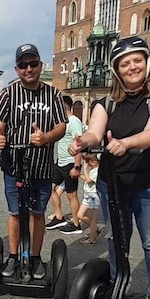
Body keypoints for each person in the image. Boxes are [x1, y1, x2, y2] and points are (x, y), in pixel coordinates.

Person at [68, 36, 150, 299]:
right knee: (117, 239)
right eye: (125, 63)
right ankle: (119, 292)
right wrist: (83, 141)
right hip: (114, 183)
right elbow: (95, 131)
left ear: (147, 62)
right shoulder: (107, 103)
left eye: (137, 61)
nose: (132, 67)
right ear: (117, 70)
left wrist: (126, 143)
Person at [0, 43, 67, 280]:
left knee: (37, 213)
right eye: (23, 65)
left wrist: (46, 137)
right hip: (14, 164)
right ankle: (13, 255)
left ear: (40, 65)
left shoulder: (53, 94)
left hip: (42, 166)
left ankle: (34, 257)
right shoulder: (8, 94)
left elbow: (61, 127)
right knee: (15, 212)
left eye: (33, 63)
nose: (29, 68)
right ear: (17, 69)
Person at [46, 95, 84, 235]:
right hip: (60, 162)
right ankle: (59, 217)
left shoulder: (74, 122)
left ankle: (76, 224)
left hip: (70, 163)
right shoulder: (62, 122)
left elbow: (79, 145)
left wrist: (77, 167)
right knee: (48, 187)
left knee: (71, 195)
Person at [76, 153, 101, 244]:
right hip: (87, 196)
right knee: (80, 215)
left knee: (93, 218)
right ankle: (95, 229)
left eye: (88, 161)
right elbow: (87, 179)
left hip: (93, 196)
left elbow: (89, 180)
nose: (87, 163)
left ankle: (92, 238)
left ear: (94, 161)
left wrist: (85, 169)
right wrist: (79, 175)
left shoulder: (97, 170)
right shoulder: (93, 169)